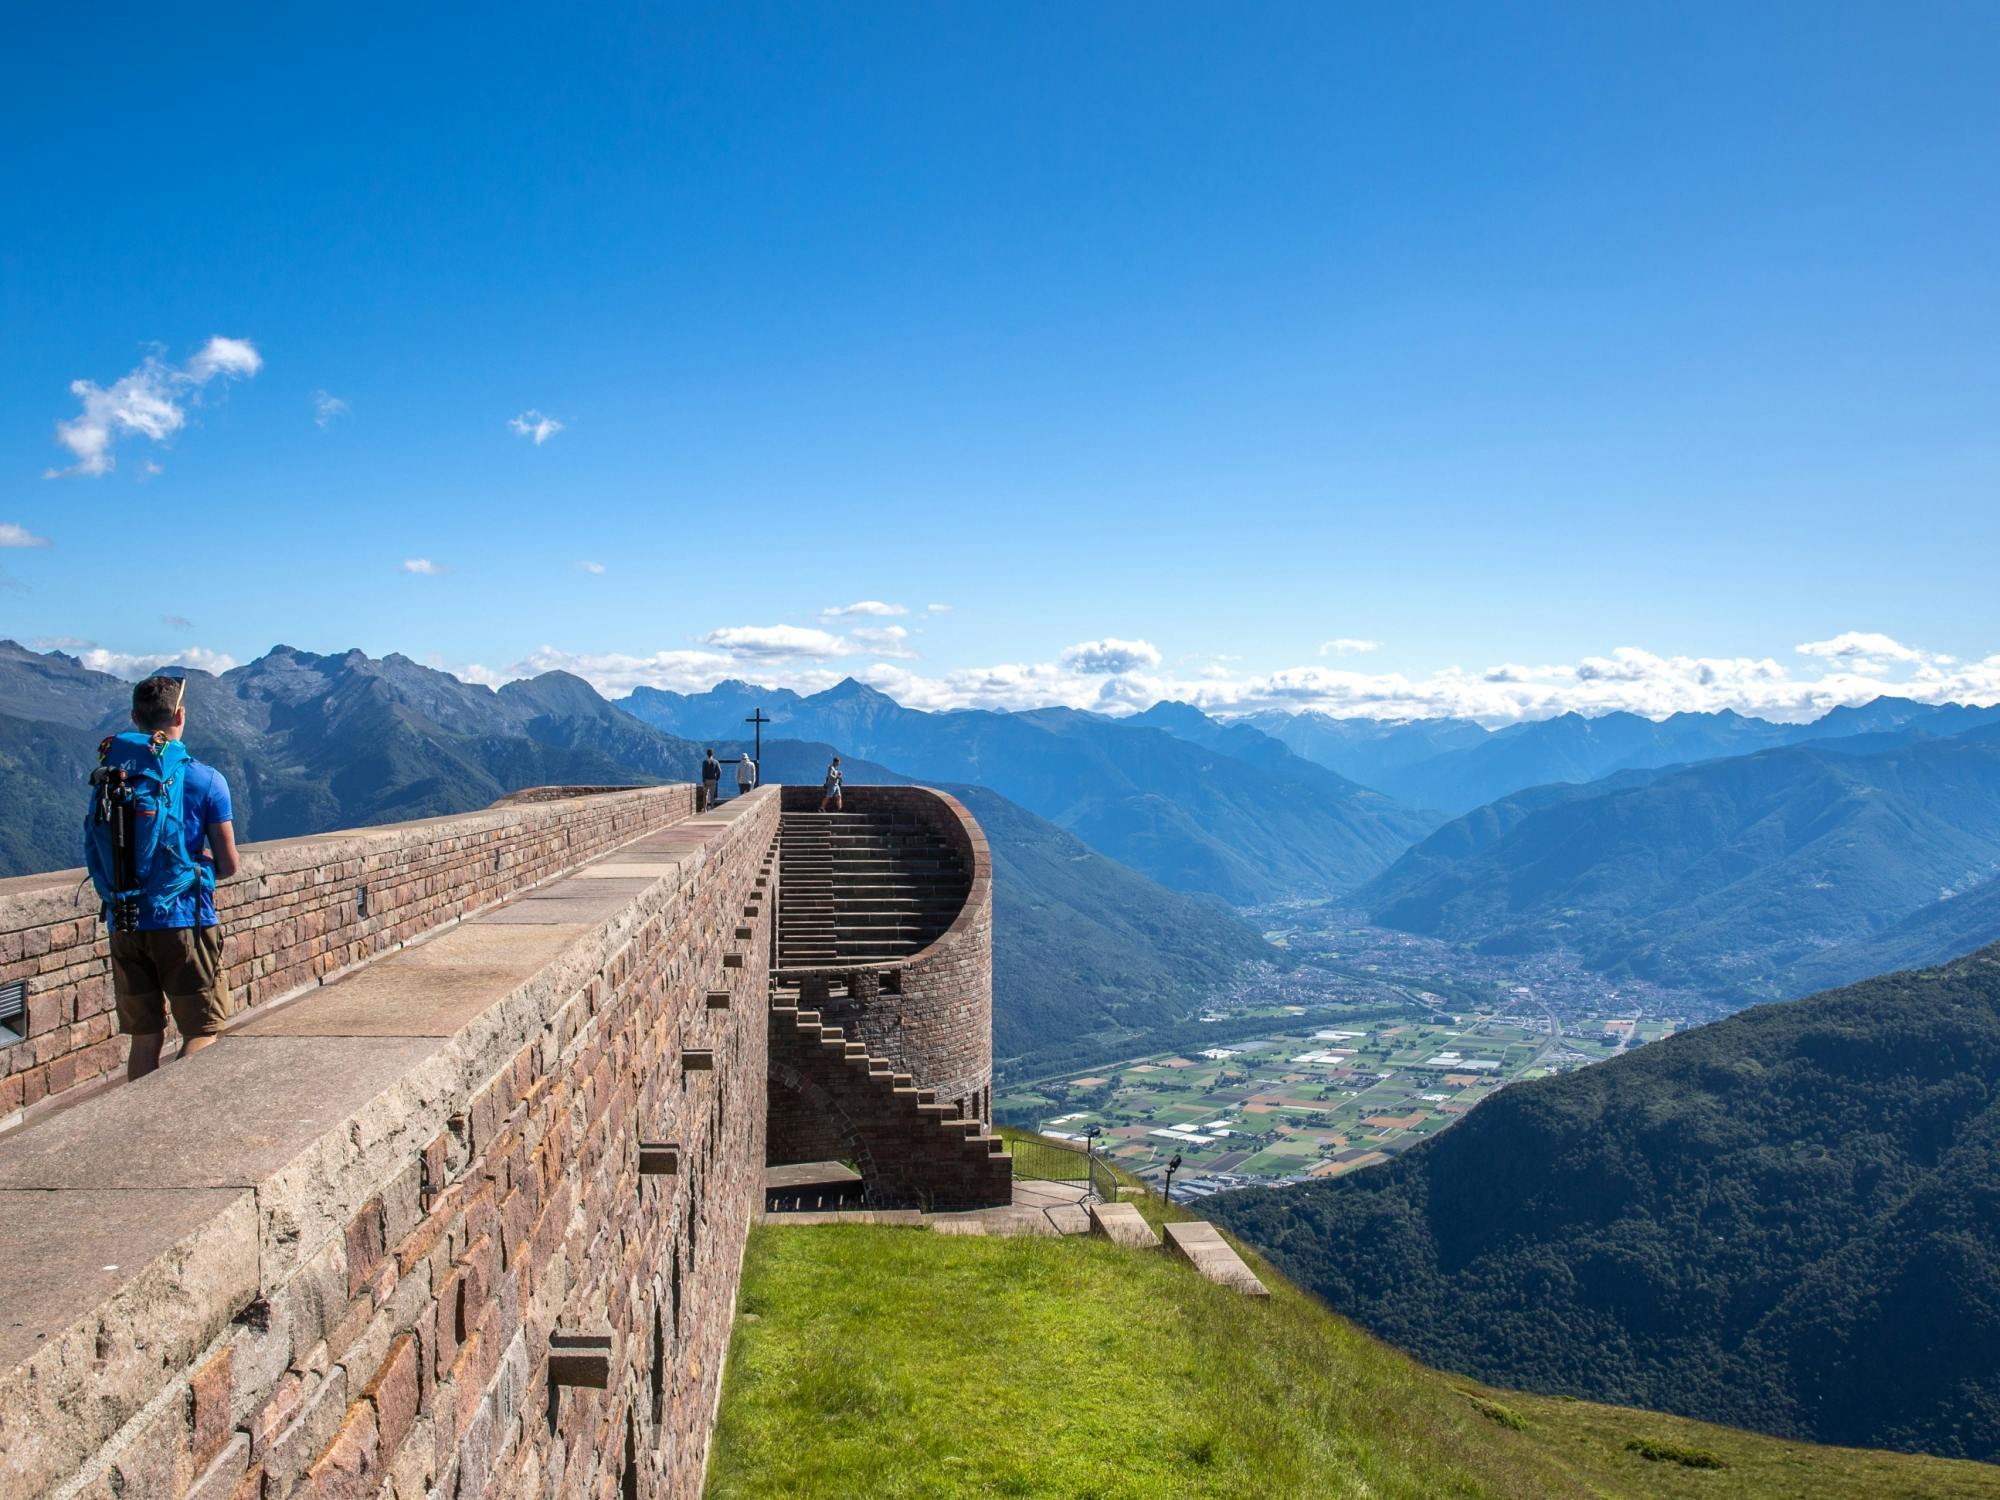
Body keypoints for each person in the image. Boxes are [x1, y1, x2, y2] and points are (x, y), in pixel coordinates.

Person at [98, 676, 240, 1081]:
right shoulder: (205, 779)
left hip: (123, 917)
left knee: (144, 1040)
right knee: (200, 1031)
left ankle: (139, 1126)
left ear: (133, 718)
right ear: (180, 715)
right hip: (183, 920)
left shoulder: (112, 776)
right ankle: (180, 1124)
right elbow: (229, 864)